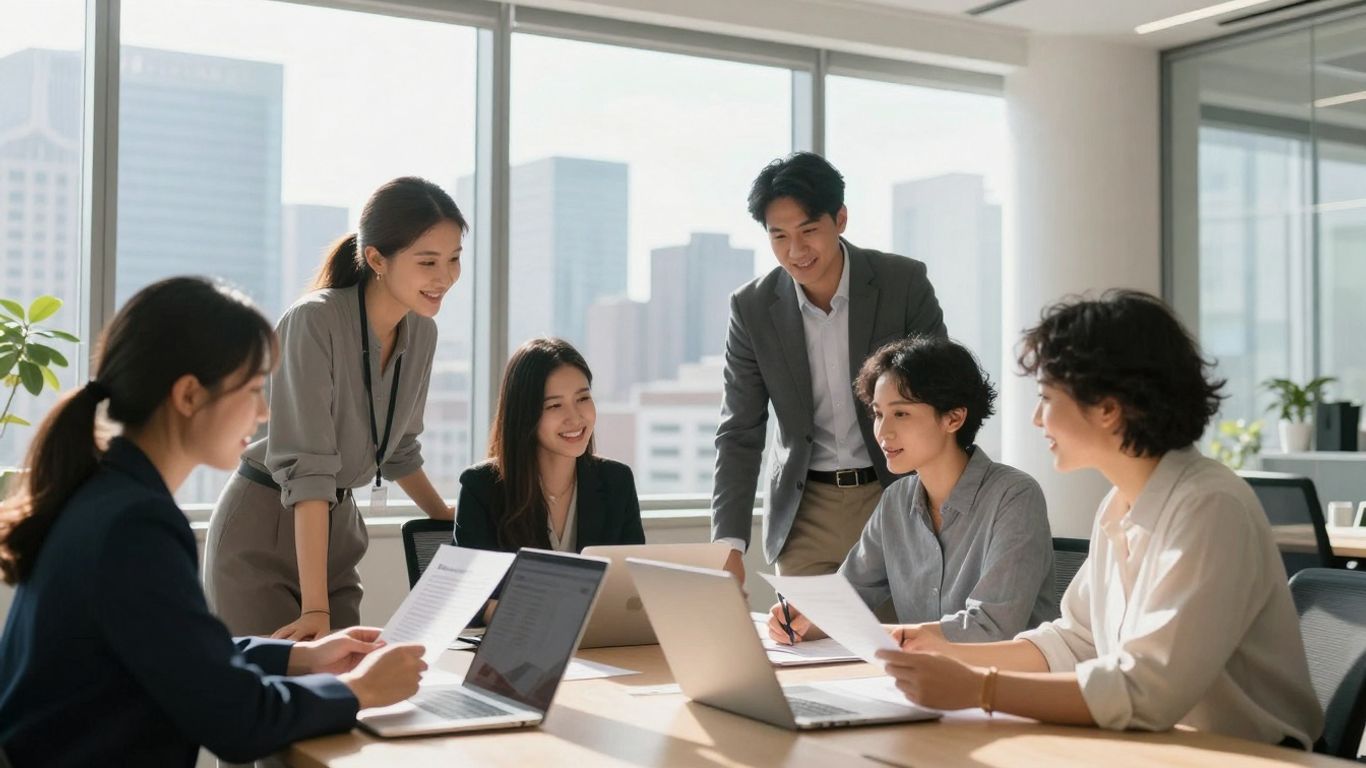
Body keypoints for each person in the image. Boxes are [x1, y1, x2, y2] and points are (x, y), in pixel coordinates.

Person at [0, 277, 425, 767]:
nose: (265, 412)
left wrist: (297, 657)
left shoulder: (106, 497)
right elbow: (238, 721)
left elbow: (179, 650)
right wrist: (359, 690)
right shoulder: (134, 526)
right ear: (188, 396)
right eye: (251, 389)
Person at [875, 290, 1323, 748]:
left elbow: (1146, 690)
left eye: (1047, 398)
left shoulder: (1210, 506)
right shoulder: (1120, 504)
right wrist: (942, 652)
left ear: (1108, 408)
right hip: (1152, 747)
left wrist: (979, 688)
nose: (1035, 418)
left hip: (1246, 756)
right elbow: (1074, 642)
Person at [206, 177, 463, 639]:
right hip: (265, 528)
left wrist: (447, 518)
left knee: (347, 698)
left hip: (335, 531)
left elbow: (400, 449)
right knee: (277, 697)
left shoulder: (422, 331)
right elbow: (309, 473)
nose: (444, 277)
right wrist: (316, 613)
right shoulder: (315, 320)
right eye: (428, 262)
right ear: (377, 259)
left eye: (454, 259)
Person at [711, 151, 947, 585]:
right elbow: (740, 431)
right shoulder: (752, 308)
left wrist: (945, 503)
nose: (795, 251)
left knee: (898, 646)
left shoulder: (903, 283)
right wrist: (728, 544)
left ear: (840, 219)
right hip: (805, 514)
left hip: (894, 494)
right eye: (778, 236)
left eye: (808, 231)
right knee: (806, 648)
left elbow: (943, 394)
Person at [768, 336, 1055, 644]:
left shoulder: (1015, 497)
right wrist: (804, 619)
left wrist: (889, 636)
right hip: (923, 681)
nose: (882, 431)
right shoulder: (896, 500)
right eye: (878, 414)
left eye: (901, 413)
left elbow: (991, 628)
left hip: (1006, 684)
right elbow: (847, 600)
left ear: (954, 418)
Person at [455, 338, 644, 559]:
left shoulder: (616, 482)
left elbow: (631, 584)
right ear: (525, 414)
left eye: (583, 398)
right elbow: (476, 591)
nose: (575, 417)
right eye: (555, 405)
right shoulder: (481, 488)